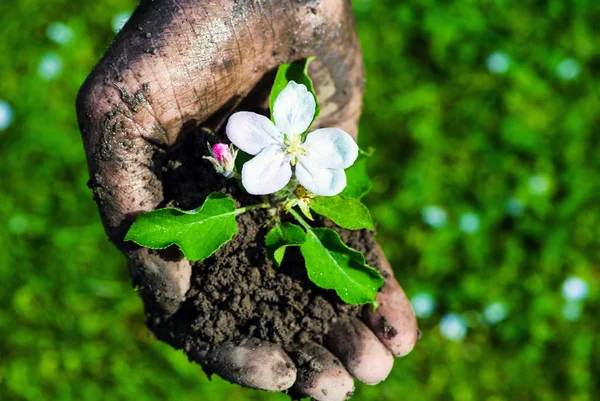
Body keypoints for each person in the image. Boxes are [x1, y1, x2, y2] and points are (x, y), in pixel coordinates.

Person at [76, 1, 418, 400]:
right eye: (293, 142)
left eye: (296, 142)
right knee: (234, 201)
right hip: (251, 164)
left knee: (327, 212)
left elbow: (321, 160)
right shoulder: (261, 165)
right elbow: (252, 177)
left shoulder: (309, 155)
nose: (294, 144)